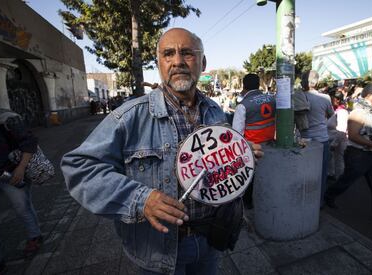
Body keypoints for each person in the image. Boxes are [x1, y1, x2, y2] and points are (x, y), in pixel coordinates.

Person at [61, 28, 263, 275]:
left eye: (187, 53)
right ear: (159, 64)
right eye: (168, 54)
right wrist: (141, 199)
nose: (178, 61)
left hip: (211, 240)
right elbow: (79, 168)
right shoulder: (129, 116)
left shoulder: (214, 110)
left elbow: (215, 165)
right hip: (160, 252)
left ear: (203, 62)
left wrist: (240, 154)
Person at [325, 84, 372, 234]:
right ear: (369, 95)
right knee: (347, 180)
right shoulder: (358, 112)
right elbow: (353, 135)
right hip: (359, 155)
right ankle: (329, 195)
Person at [0, 108, 43, 274]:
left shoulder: (5, 119)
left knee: (22, 208)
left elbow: (30, 142)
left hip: (11, 173)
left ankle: (34, 236)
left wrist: (21, 168)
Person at [232, 73, 275, 209]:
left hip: (253, 149)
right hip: (270, 145)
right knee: (268, 176)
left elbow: (237, 133)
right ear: (258, 84)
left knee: (250, 178)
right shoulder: (271, 99)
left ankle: (248, 204)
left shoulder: (242, 106)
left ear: (244, 86)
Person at [300, 71, 334, 205]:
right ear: (317, 82)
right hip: (321, 139)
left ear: (303, 81)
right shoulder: (325, 98)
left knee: (304, 171)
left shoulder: (297, 96)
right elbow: (330, 114)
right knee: (321, 172)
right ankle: (318, 202)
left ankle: (304, 200)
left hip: (304, 139)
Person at [327, 89, 348, 180]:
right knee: (333, 161)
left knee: (339, 162)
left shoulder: (342, 112)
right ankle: (332, 176)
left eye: (330, 99)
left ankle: (339, 181)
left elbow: (341, 131)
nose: (329, 102)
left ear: (337, 100)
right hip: (332, 141)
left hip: (338, 143)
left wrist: (334, 144)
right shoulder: (333, 111)